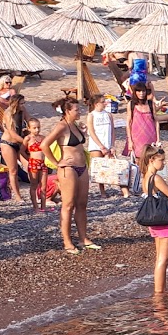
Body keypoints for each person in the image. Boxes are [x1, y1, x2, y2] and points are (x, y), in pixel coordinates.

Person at [45, 96, 96, 253]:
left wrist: (83, 131)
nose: (79, 111)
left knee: (82, 204)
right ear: (67, 111)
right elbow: (44, 144)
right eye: (76, 109)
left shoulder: (75, 125)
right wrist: (56, 162)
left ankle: (83, 239)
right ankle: (67, 241)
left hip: (81, 167)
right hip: (68, 169)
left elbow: (78, 145)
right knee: (68, 205)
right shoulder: (61, 126)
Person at [137, 145, 168, 295]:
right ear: (152, 160)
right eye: (161, 160)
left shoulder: (145, 177)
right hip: (165, 223)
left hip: (155, 222)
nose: (163, 164)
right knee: (163, 261)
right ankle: (160, 293)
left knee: (159, 259)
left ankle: (159, 290)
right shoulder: (156, 178)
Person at [0, 92, 30, 204]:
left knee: (30, 166)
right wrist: (26, 142)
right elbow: (12, 134)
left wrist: (32, 131)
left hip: (20, 142)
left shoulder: (23, 110)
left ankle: (36, 191)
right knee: (13, 170)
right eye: (21, 103)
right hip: (8, 143)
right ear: (16, 104)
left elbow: (29, 120)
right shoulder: (8, 114)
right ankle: (17, 196)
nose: (23, 105)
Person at [126, 82, 158, 190]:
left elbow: (156, 121)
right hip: (137, 137)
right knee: (140, 163)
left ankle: (150, 186)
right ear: (135, 92)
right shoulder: (131, 104)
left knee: (151, 161)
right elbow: (128, 122)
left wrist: (158, 138)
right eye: (139, 91)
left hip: (150, 135)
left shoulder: (150, 104)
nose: (141, 93)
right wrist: (129, 140)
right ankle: (143, 187)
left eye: (143, 91)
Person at [87, 96, 119, 198]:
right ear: (96, 104)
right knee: (99, 168)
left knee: (111, 167)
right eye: (103, 102)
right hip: (96, 145)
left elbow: (113, 131)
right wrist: (101, 146)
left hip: (108, 144)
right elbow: (91, 132)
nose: (105, 103)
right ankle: (102, 191)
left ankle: (120, 187)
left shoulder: (108, 115)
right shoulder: (91, 115)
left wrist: (113, 145)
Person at [25, 118, 48, 211]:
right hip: (33, 163)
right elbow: (22, 151)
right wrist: (28, 159)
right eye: (34, 128)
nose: (37, 130)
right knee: (34, 185)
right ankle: (35, 206)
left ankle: (43, 206)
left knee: (43, 186)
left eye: (38, 127)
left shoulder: (43, 138)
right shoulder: (28, 138)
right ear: (29, 128)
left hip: (43, 163)